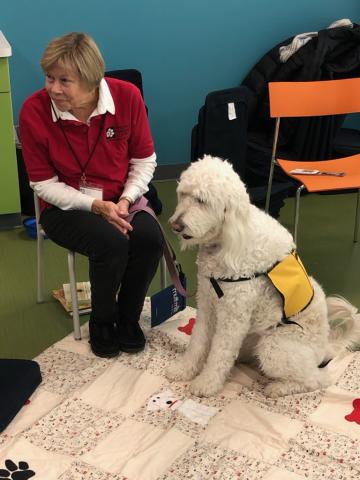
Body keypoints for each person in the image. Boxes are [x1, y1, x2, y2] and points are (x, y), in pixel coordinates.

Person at [19, 32, 164, 358]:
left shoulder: (127, 97)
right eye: (49, 78)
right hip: (63, 206)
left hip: (122, 199)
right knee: (111, 243)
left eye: (64, 81)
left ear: (92, 80)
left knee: (150, 240)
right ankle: (102, 321)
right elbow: (42, 184)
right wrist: (96, 206)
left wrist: (125, 200)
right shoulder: (34, 111)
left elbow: (143, 161)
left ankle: (128, 317)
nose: (53, 88)